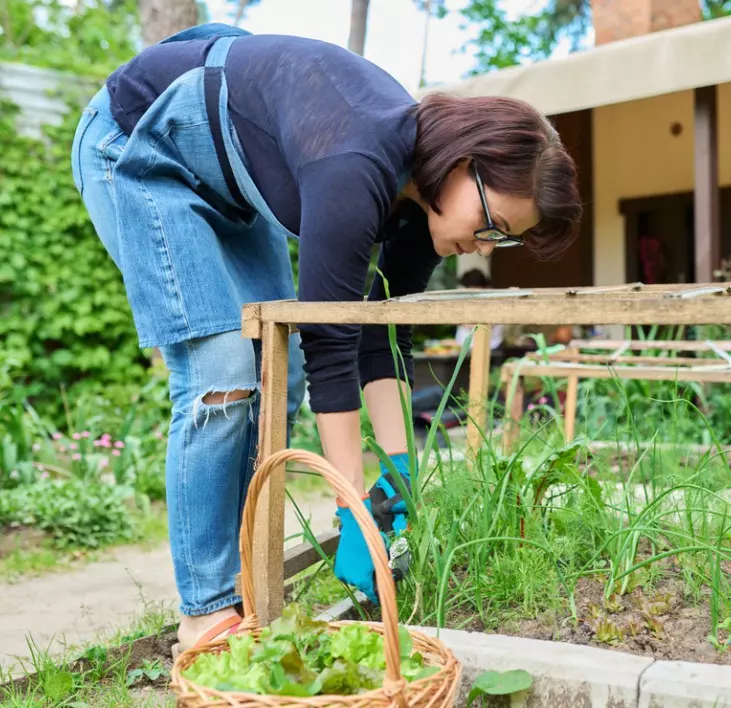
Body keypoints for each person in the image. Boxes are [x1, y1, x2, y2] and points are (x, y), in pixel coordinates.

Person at [70, 22, 582, 657]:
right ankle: (204, 612)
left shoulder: (426, 202)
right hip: (137, 147)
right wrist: (354, 514)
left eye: (502, 240)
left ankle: (240, 586)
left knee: (275, 377)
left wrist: (396, 477)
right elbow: (330, 340)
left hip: (229, 190)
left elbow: (379, 338)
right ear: (464, 163)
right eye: (492, 225)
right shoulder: (357, 163)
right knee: (223, 373)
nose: (483, 246)